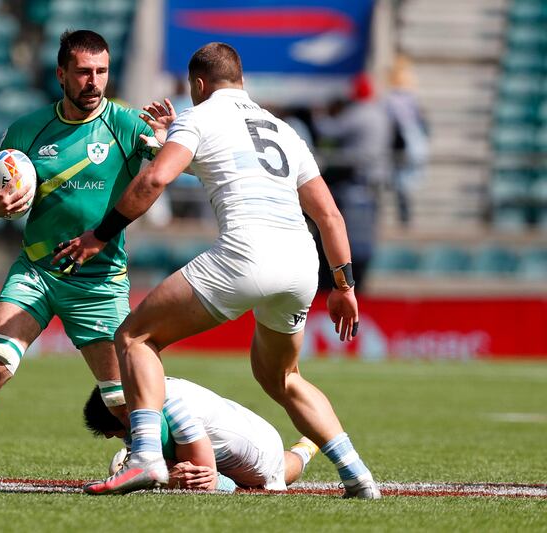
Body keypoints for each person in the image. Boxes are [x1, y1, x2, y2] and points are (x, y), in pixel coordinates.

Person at [54, 42, 381, 499]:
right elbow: (329, 215)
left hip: (246, 254)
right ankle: (358, 475)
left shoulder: (199, 116)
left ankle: (147, 457)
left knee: (134, 337)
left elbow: (155, 179)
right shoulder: (284, 131)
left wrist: (99, 236)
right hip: (302, 265)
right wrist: (344, 285)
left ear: (200, 85)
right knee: (282, 377)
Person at [0, 30, 164, 489]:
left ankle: (197, 469)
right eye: (84, 72)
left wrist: (165, 139)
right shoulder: (27, 130)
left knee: (126, 405)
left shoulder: (127, 126)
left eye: (101, 72)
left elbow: (165, 167)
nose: (93, 82)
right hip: (37, 274)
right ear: (61, 74)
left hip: (99, 283)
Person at [84, 377, 320, 492]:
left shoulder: (174, 408)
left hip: (260, 449)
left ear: (123, 414)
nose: (113, 438)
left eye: (114, 432)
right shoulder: (141, 395)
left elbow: (206, 481)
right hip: (242, 424)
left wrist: (168, 480)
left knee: (271, 472)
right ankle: (307, 445)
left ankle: (307, 448)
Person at [312, 73, 391, 290]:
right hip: (372, 183)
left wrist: (317, 113)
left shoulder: (358, 112)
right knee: (362, 240)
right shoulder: (380, 113)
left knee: (341, 233)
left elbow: (328, 130)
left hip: (354, 181)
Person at [385, 55, 429, 227]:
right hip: (408, 138)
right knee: (403, 179)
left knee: (403, 179)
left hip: (404, 139)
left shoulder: (393, 100)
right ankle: (404, 213)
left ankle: (404, 212)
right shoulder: (409, 99)